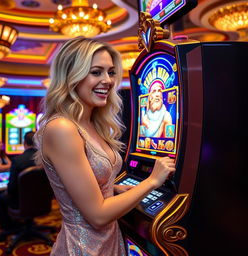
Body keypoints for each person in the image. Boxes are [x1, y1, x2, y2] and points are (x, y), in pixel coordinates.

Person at [34, 36, 176, 256]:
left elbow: (90, 182)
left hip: (107, 241)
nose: (108, 80)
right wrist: (151, 181)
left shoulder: (91, 123)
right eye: (96, 72)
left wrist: (112, 188)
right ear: (72, 77)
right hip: (83, 248)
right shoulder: (62, 128)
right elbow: (98, 215)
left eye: (111, 72)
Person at [0, 131, 37, 230]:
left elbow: (11, 188)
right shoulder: (45, 159)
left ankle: (8, 227)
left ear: (24, 143)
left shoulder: (18, 160)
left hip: (20, 202)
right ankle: (29, 222)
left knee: (1, 198)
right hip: (42, 200)